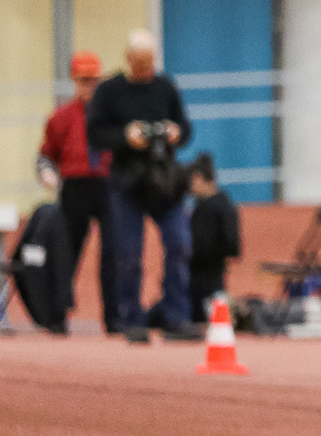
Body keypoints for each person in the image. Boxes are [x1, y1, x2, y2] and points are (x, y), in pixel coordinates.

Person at [86, 31, 197, 342]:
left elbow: (186, 128)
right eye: (140, 63)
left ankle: (176, 317)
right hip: (127, 182)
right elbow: (94, 135)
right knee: (128, 253)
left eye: (150, 63)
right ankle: (131, 319)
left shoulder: (165, 87)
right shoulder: (109, 91)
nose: (146, 69)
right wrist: (126, 136)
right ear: (128, 59)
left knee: (179, 244)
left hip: (165, 182)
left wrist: (175, 133)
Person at [37, 51, 111, 332]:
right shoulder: (62, 117)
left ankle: (115, 317)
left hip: (105, 185)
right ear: (74, 82)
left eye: (93, 81)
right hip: (75, 186)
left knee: (114, 253)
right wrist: (46, 172)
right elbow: (46, 154)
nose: (89, 87)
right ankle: (58, 314)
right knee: (65, 252)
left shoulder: (110, 116)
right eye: (83, 81)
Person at [186, 155, 241, 321]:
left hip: (200, 285)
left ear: (198, 178)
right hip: (216, 280)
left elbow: (199, 247)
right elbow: (233, 247)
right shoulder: (226, 204)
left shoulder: (208, 209)